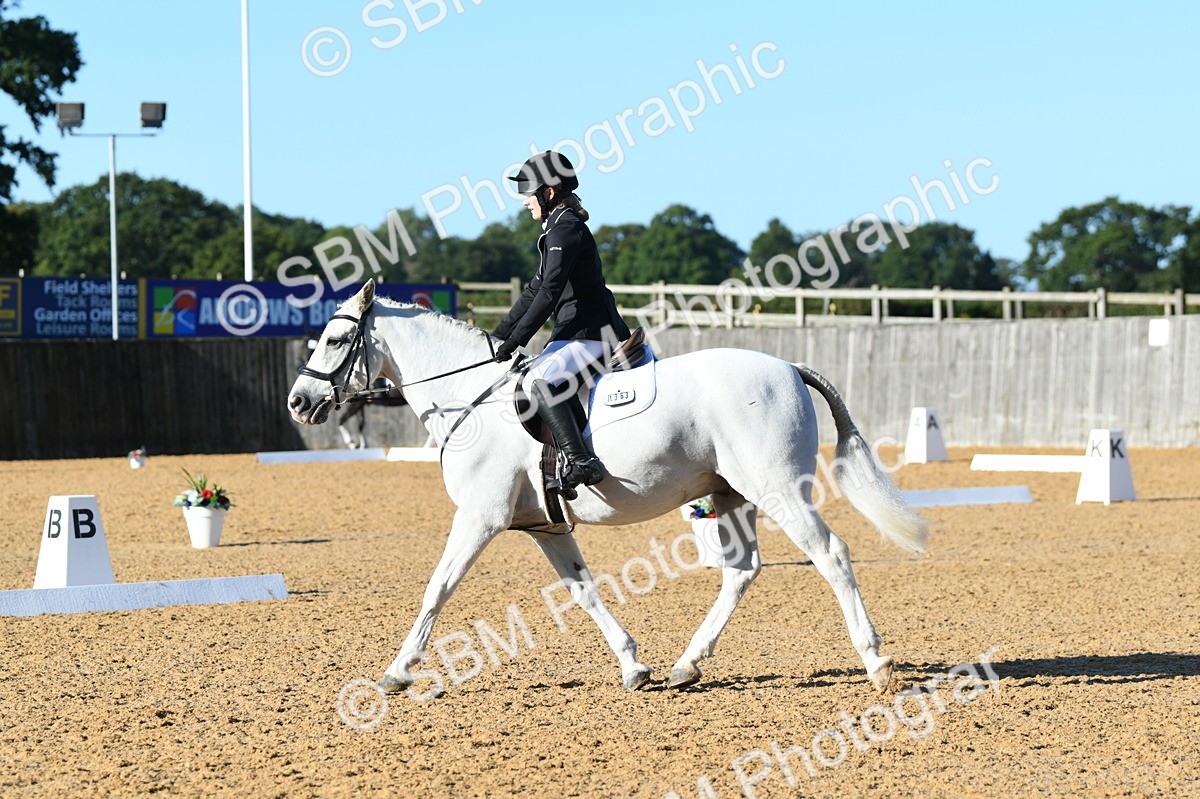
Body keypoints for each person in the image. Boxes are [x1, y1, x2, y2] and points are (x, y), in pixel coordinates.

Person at [492, 150, 631, 499]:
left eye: (529, 193)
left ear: (548, 193)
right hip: (573, 333)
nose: (525, 201)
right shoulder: (556, 227)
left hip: (592, 332)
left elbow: (551, 291)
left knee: (539, 381)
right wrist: (498, 336)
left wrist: (518, 340)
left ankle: (582, 461)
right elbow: (534, 290)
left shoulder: (565, 229)